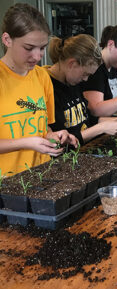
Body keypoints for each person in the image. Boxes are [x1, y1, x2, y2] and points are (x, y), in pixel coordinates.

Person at [0, 3, 77, 176]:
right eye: (28, 48)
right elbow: (29, 140)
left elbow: (44, 129)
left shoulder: (42, 77)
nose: (37, 56)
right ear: (7, 40)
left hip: (42, 175)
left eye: (42, 48)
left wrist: (53, 137)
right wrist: (26, 143)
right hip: (7, 182)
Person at [44, 34, 117, 145]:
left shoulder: (72, 81)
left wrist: (116, 122)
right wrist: (101, 128)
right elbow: (60, 141)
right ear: (72, 64)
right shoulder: (47, 86)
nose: (86, 79)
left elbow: (86, 118)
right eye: (85, 74)